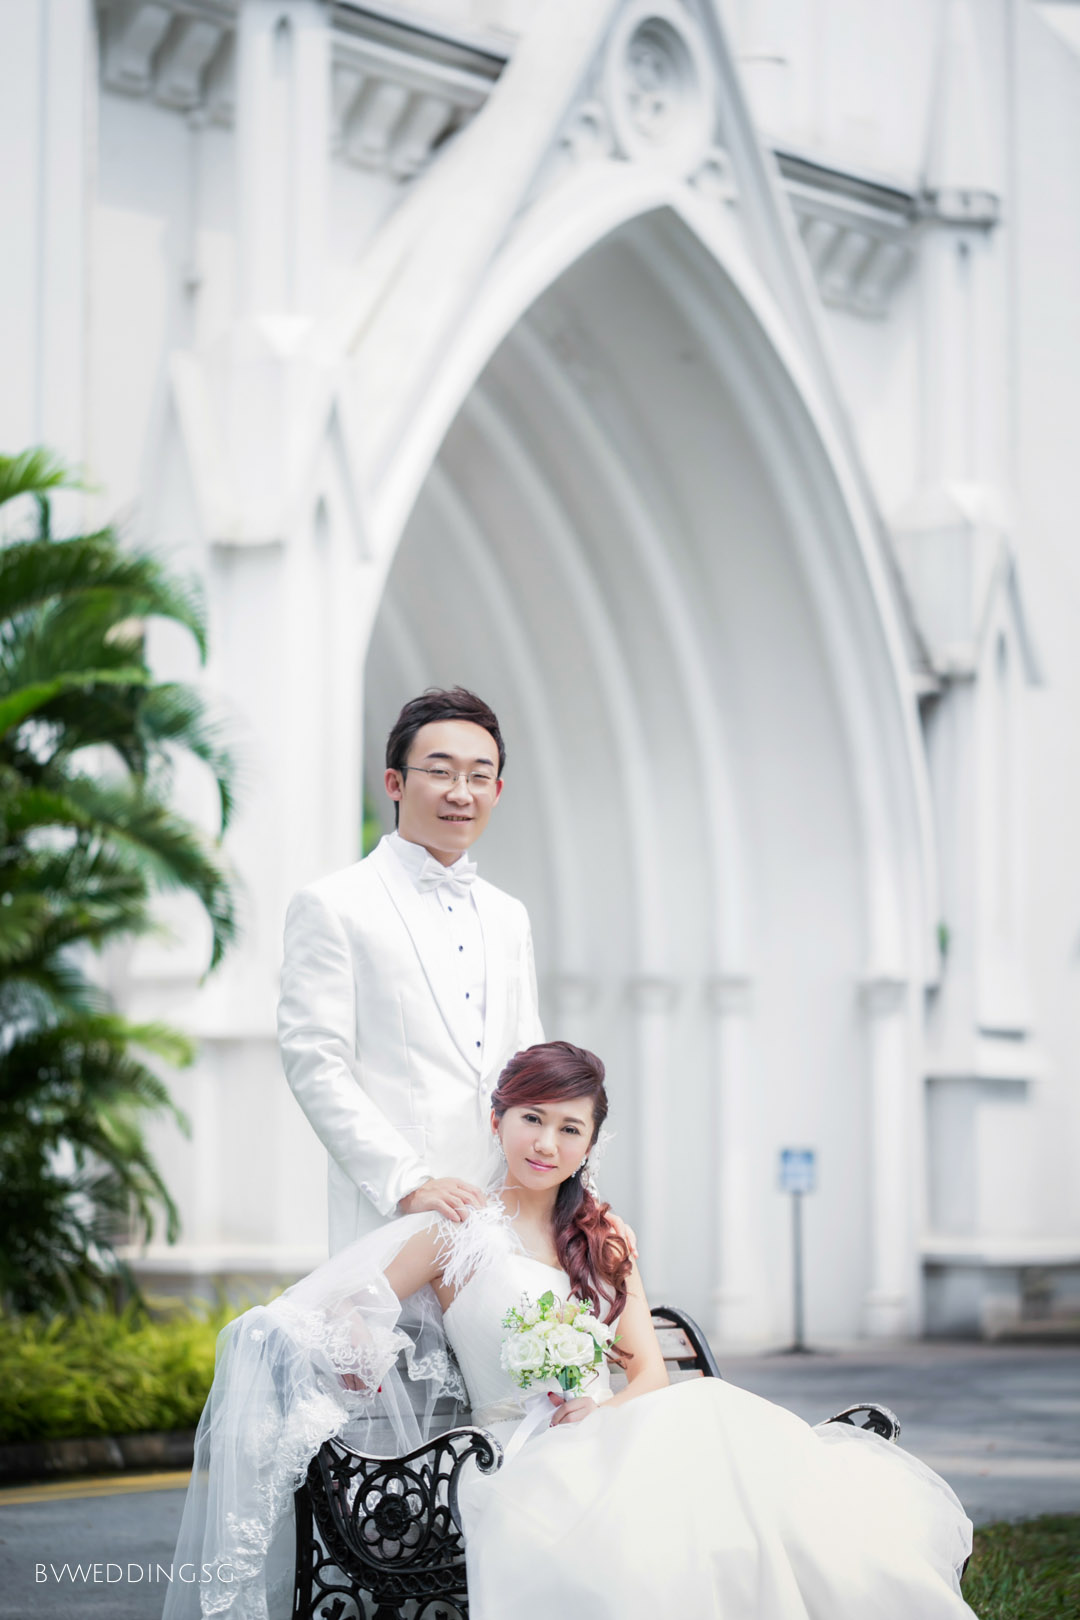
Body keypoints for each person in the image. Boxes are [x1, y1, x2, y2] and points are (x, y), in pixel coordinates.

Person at [164, 1042, 976, 1620]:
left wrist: (605, 1412)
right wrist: (362, 1344)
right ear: (498, 1120)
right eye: (531, 1119)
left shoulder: (605, 1234)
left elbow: (648, 1373)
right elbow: (347, 1309)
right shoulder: (454, 1229)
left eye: (568, 1129)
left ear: (591, 1142)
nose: (546, 1144)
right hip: (517, 1450)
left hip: (609, 1428)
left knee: (716, 1429)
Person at [278, 686, 544, 1251]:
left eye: (479, 777)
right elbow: (316, 1062)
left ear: (497, 791)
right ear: (394, 782)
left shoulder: (509, 916)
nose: (461, 793)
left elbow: (529, 1067)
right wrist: (410, 1183)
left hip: (503, 1214)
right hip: (392, 1216)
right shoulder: (333, 905)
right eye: (441, 772)